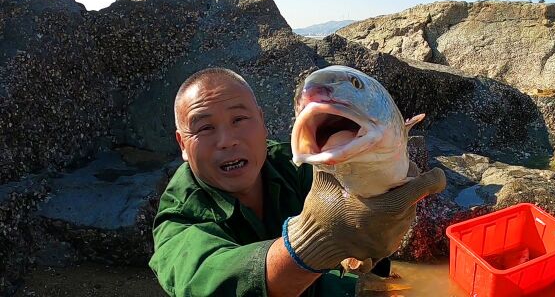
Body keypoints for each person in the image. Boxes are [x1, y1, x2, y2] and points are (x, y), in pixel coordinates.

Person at [149, 68, 446, 297]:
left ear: (262, 121)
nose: (227, 141)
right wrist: (316, 239)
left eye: (239, 119)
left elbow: (367, 220)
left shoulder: (297, 165)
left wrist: (382, 222)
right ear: (182, 145)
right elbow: (205, 282)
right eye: (204, 128)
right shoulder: (179, 216)